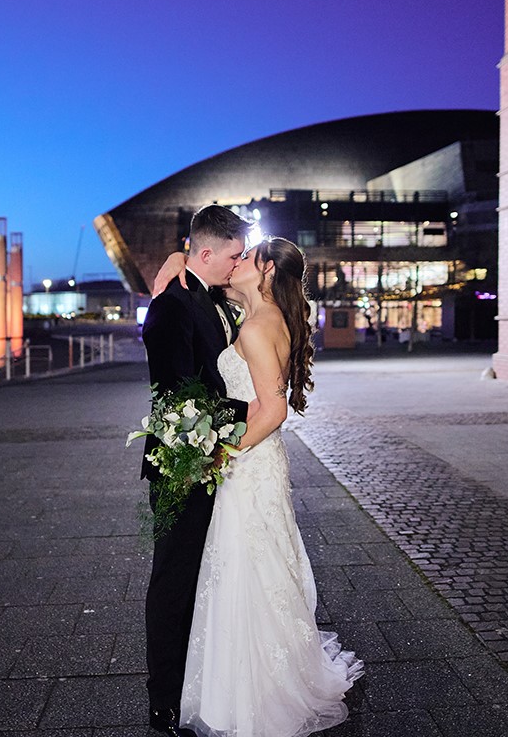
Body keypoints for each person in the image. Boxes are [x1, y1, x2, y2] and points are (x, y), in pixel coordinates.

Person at [153, 237, 363, 737]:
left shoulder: (259, 324)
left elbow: (274, 410)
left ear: (266, 270)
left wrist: (220, 454)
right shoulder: (253, 311)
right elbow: (201, 276)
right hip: (256, 463)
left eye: (247, 257)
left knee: (247, 567)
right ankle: (244, 681)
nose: (238, 262)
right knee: (254, 566)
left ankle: (254, 692)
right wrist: (178, 257)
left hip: (249, 462)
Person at [141, 204, 252, 737]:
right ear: (206, 253)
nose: (239, 264)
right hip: (184, 465)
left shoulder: (217, 297)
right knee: (175, 581)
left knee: (213, 578)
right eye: (234, 256)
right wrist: (257, 412)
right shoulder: (172, 305)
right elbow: (178, 395)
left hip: (219, 459)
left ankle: (203, 684)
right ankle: (163, 701)